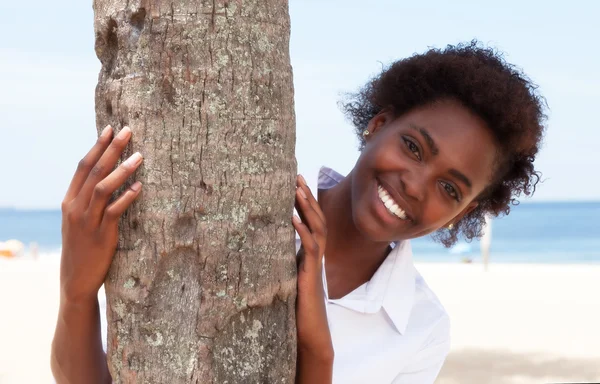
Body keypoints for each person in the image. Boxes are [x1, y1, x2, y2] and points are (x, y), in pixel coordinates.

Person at [51, 41, 546, 383]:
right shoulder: (239, 214)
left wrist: (318, 349)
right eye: (414, 148)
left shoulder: (420, 329)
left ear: (463, 214)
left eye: (449, 188)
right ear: (378, 125)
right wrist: (76, 292)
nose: (415, 185)